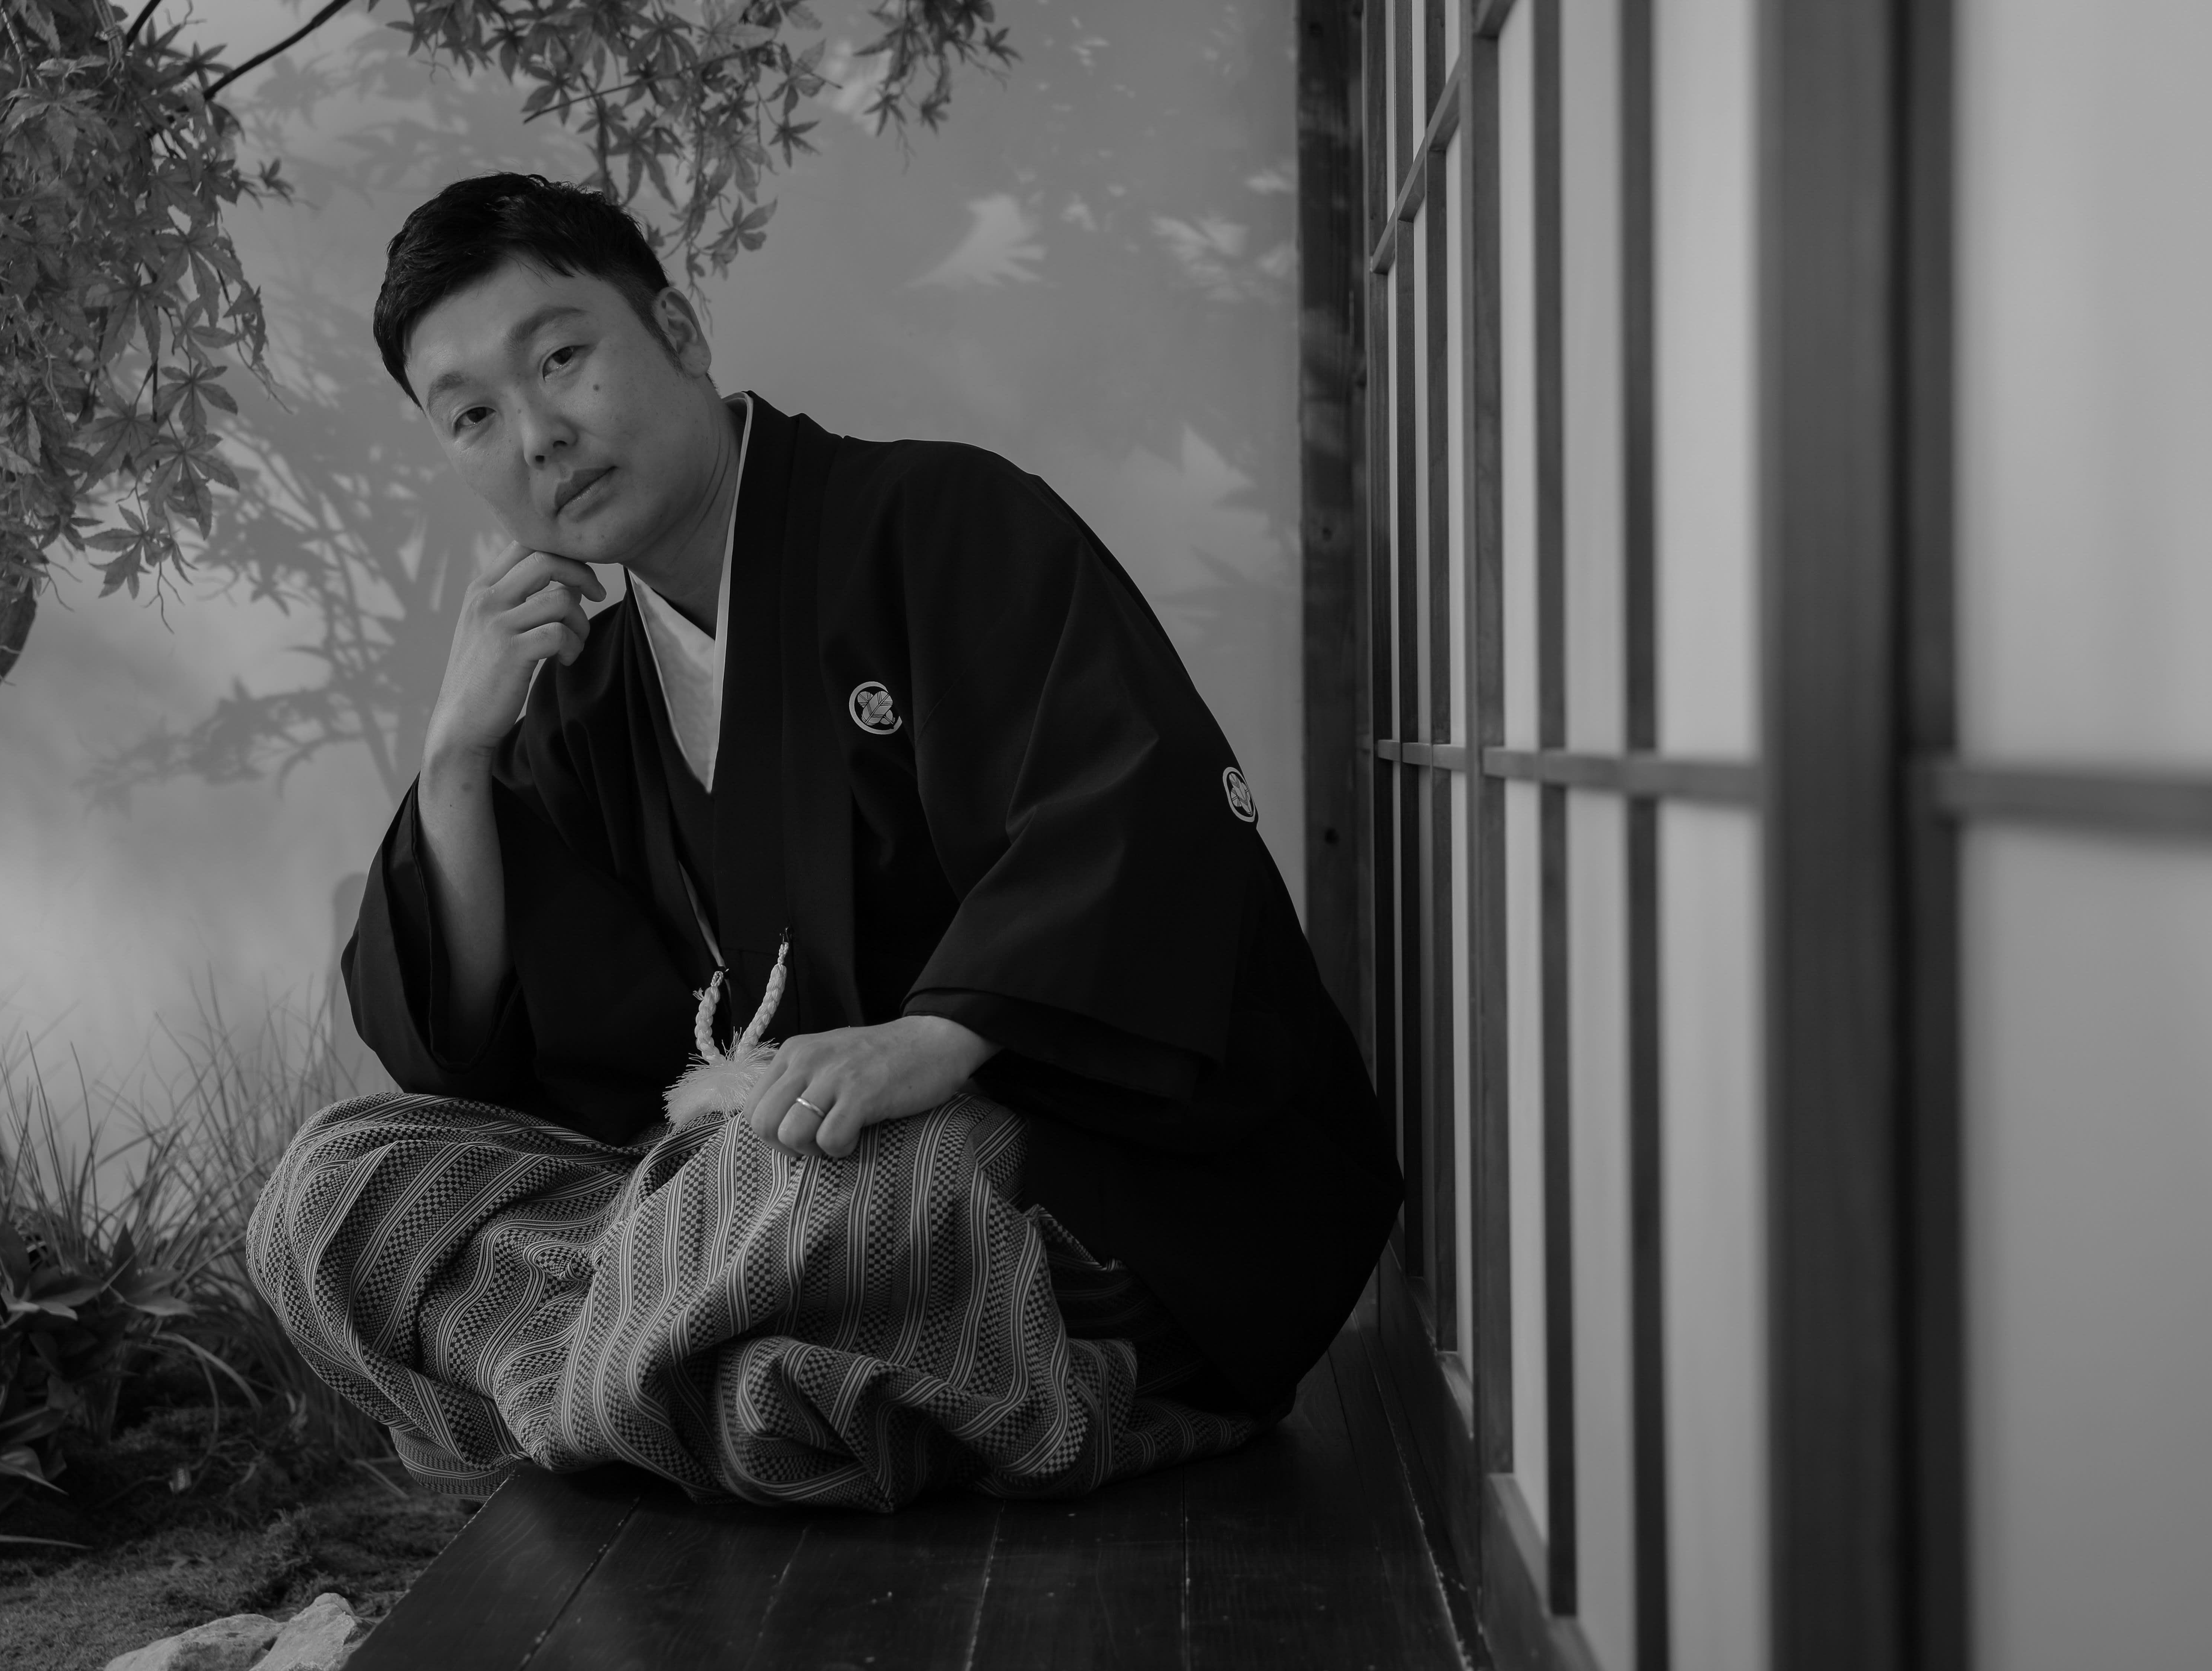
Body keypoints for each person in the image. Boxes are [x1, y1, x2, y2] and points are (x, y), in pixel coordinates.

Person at [247, 173, 1400, 1511]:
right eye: (473, 417)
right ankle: (740, 1393)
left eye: (560, 359)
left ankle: (655, 1390)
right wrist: (454, 758)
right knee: (338, 1189)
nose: (540, 437)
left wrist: (936, 1041)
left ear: (679, 332)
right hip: (772, 1220)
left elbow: (1138, 810)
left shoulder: (942, 521)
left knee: (835, 1185)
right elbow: (502, 1060)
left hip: (1068, 1206)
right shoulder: (578, 699)